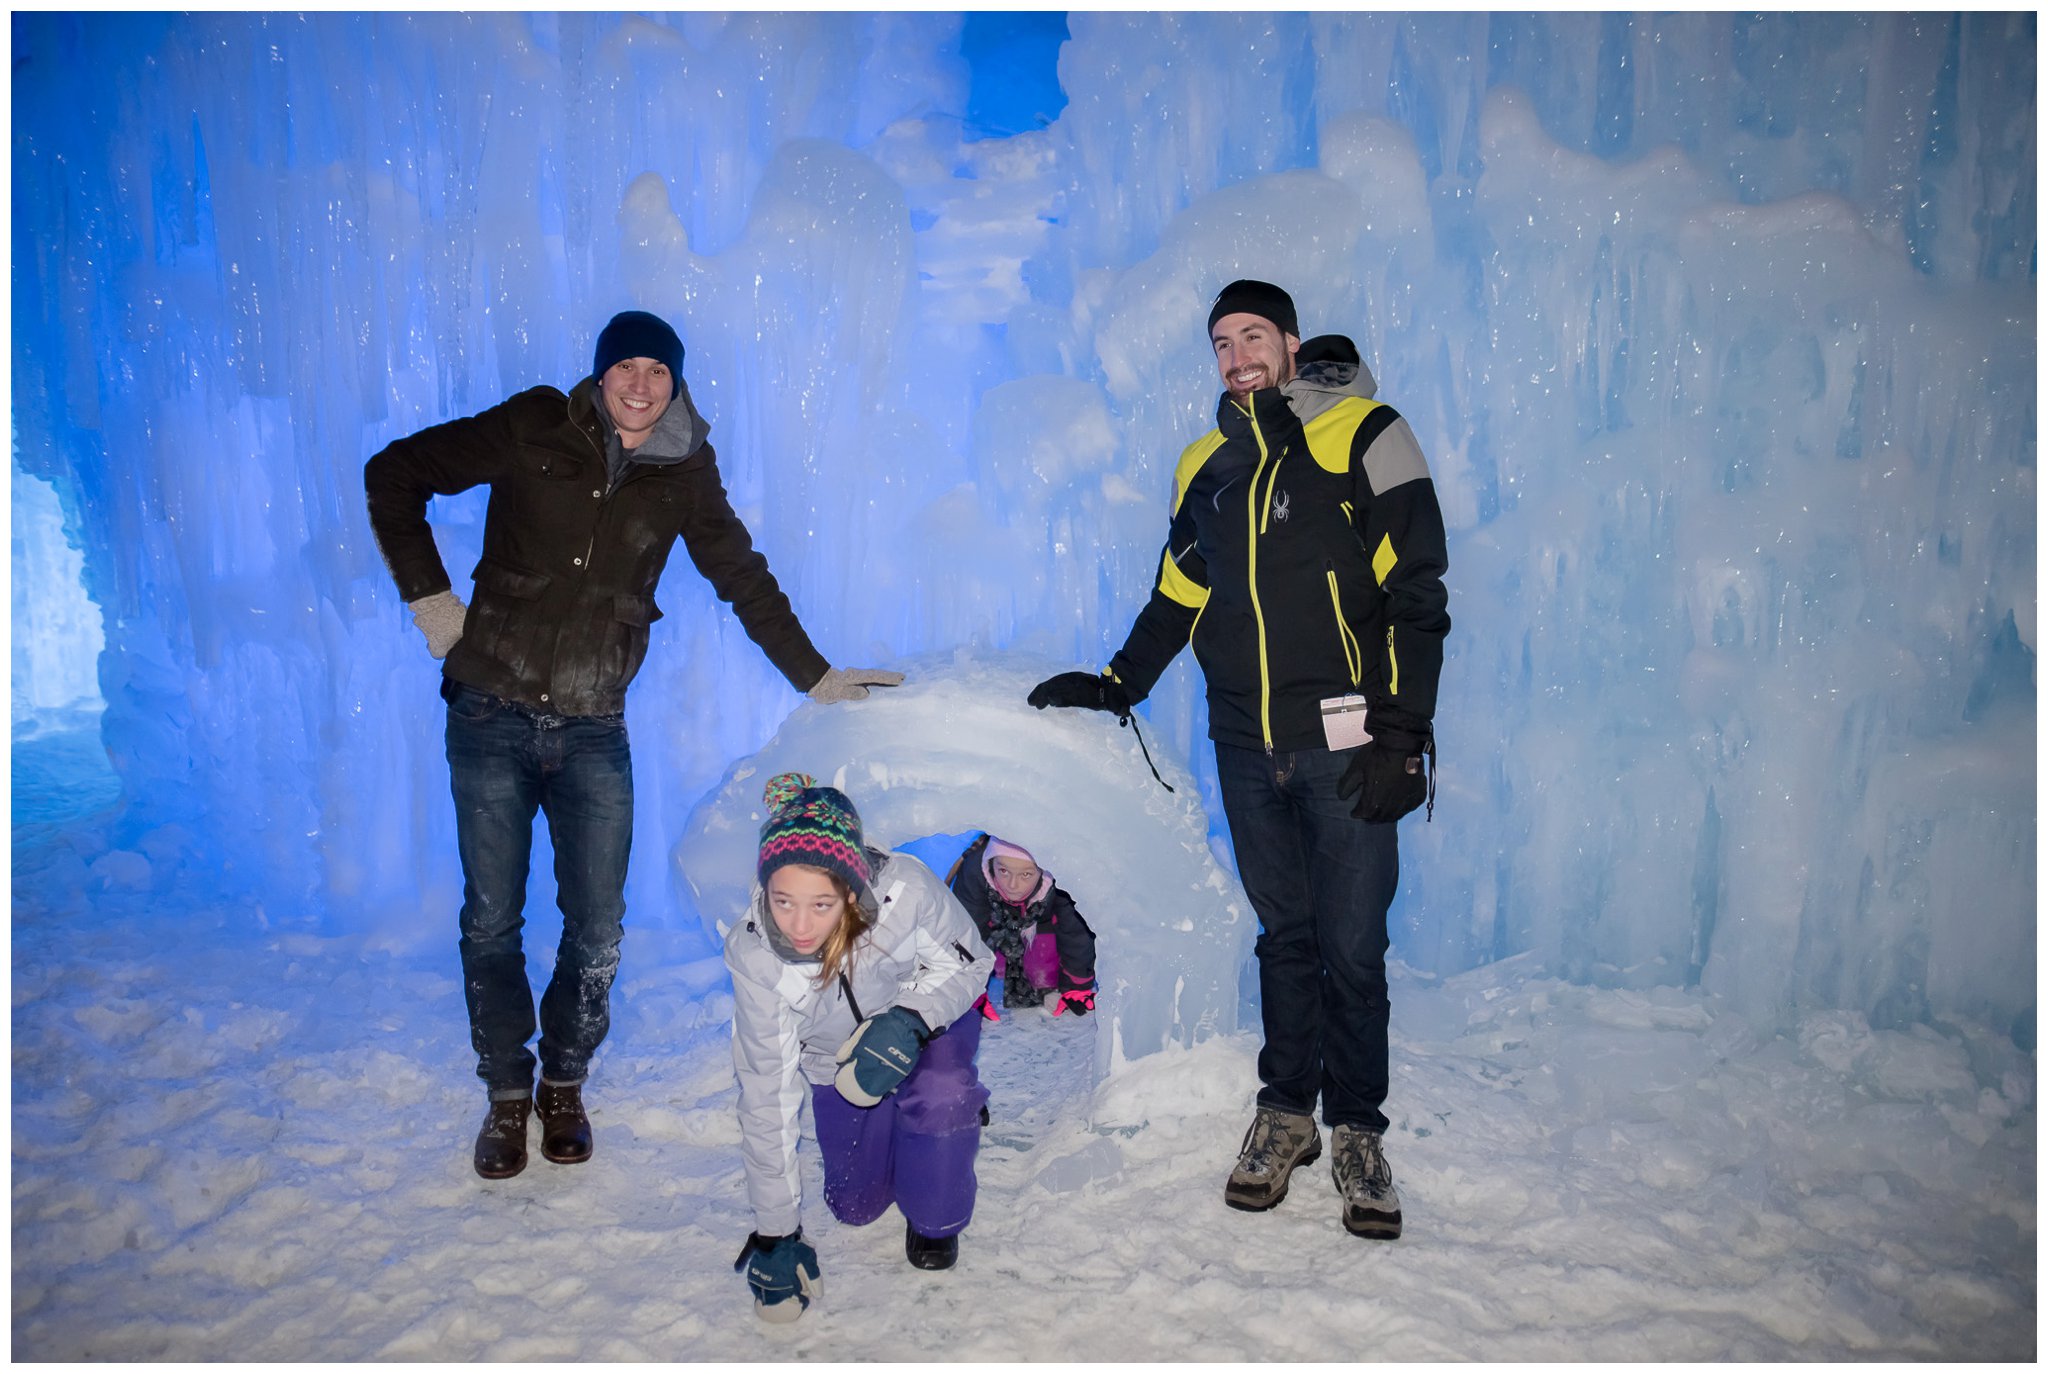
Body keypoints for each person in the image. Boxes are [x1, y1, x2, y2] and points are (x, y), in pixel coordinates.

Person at [363, 310, 901, 1180]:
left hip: (592, 728)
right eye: (627, 368)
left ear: (676, 383)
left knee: (600, 923)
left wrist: (816, 676)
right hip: (490, 714)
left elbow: (741, 574)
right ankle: (506, 1094)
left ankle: (564, 1082)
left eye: (660, 371)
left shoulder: (684, 470)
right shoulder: (536, 422)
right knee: (492, 919)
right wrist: (430, 602)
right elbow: (394, 475)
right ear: (601, 373)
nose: (641, 385)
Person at [1027, 280, 1449, 1240]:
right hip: (1247, 748)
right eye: (1221, 343)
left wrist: (1402, 732)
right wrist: (1120, 682)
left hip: (1348, 745)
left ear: (1291, 343)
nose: (1236, 356)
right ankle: (1287, 1116)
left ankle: (1360, 1134)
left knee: (1352, 949)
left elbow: (1417, 591)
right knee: (1285, 939)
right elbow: (1181, 590)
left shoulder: (1366, 433)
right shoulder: (1205, 465)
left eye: (1253, 336)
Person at [726, 772, 994, 1321]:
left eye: (822, 905)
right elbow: (765, 1094)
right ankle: (899, 1121)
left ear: (850, 891)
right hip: (836, 1064)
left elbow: (971, 962)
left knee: (939, 1096)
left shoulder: (907, 894)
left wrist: (909, 1019)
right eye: (783, 901)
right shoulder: (758, 957)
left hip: (927, 1030)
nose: (800, 925)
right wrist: (776, 1233)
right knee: (854, 1207)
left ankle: (935, 1208)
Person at [945, 832, 1097, 1017]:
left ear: (1043, 871)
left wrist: (1077, 984)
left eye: (1026, 874)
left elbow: (1076, 933)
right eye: (1003, 871)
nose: (1012, 885)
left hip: (1041, 930)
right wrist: (969, 987)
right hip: (997, 933)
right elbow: (967, 932)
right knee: (996, 963)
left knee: (1041, 971)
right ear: (991, 865)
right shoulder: (975, 870)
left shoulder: (1062, 880)